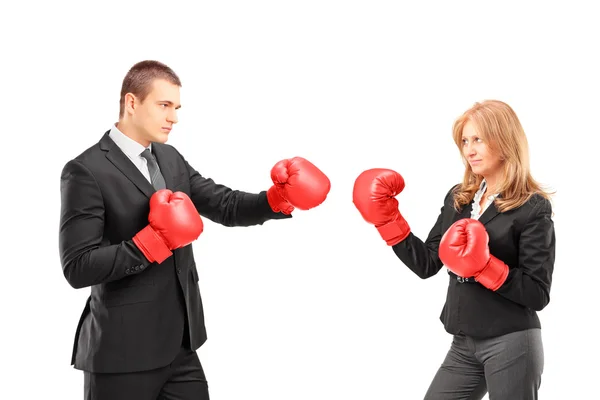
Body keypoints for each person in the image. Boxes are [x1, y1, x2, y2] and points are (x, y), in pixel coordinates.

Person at [58, 60, 331, 400]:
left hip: (180, 349)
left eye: (176, 107)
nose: (174, 117)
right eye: (164, 105)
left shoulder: (169, 158)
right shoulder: (86, 169)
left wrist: (277, 199)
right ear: (131, 103)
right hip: (121, 354)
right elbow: (78, 266)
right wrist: (153, 242)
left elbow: (224, 204)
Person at [352, 100, 555, 400]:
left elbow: (538, 293)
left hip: (511, 342)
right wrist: (387, 221)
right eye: (464, 141)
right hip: (463, 344)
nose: (469, 150)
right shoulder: (460, 199)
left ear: (505, 140)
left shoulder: (532, 206)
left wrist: (486, 267)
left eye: (478, 140)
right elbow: (427, 264)